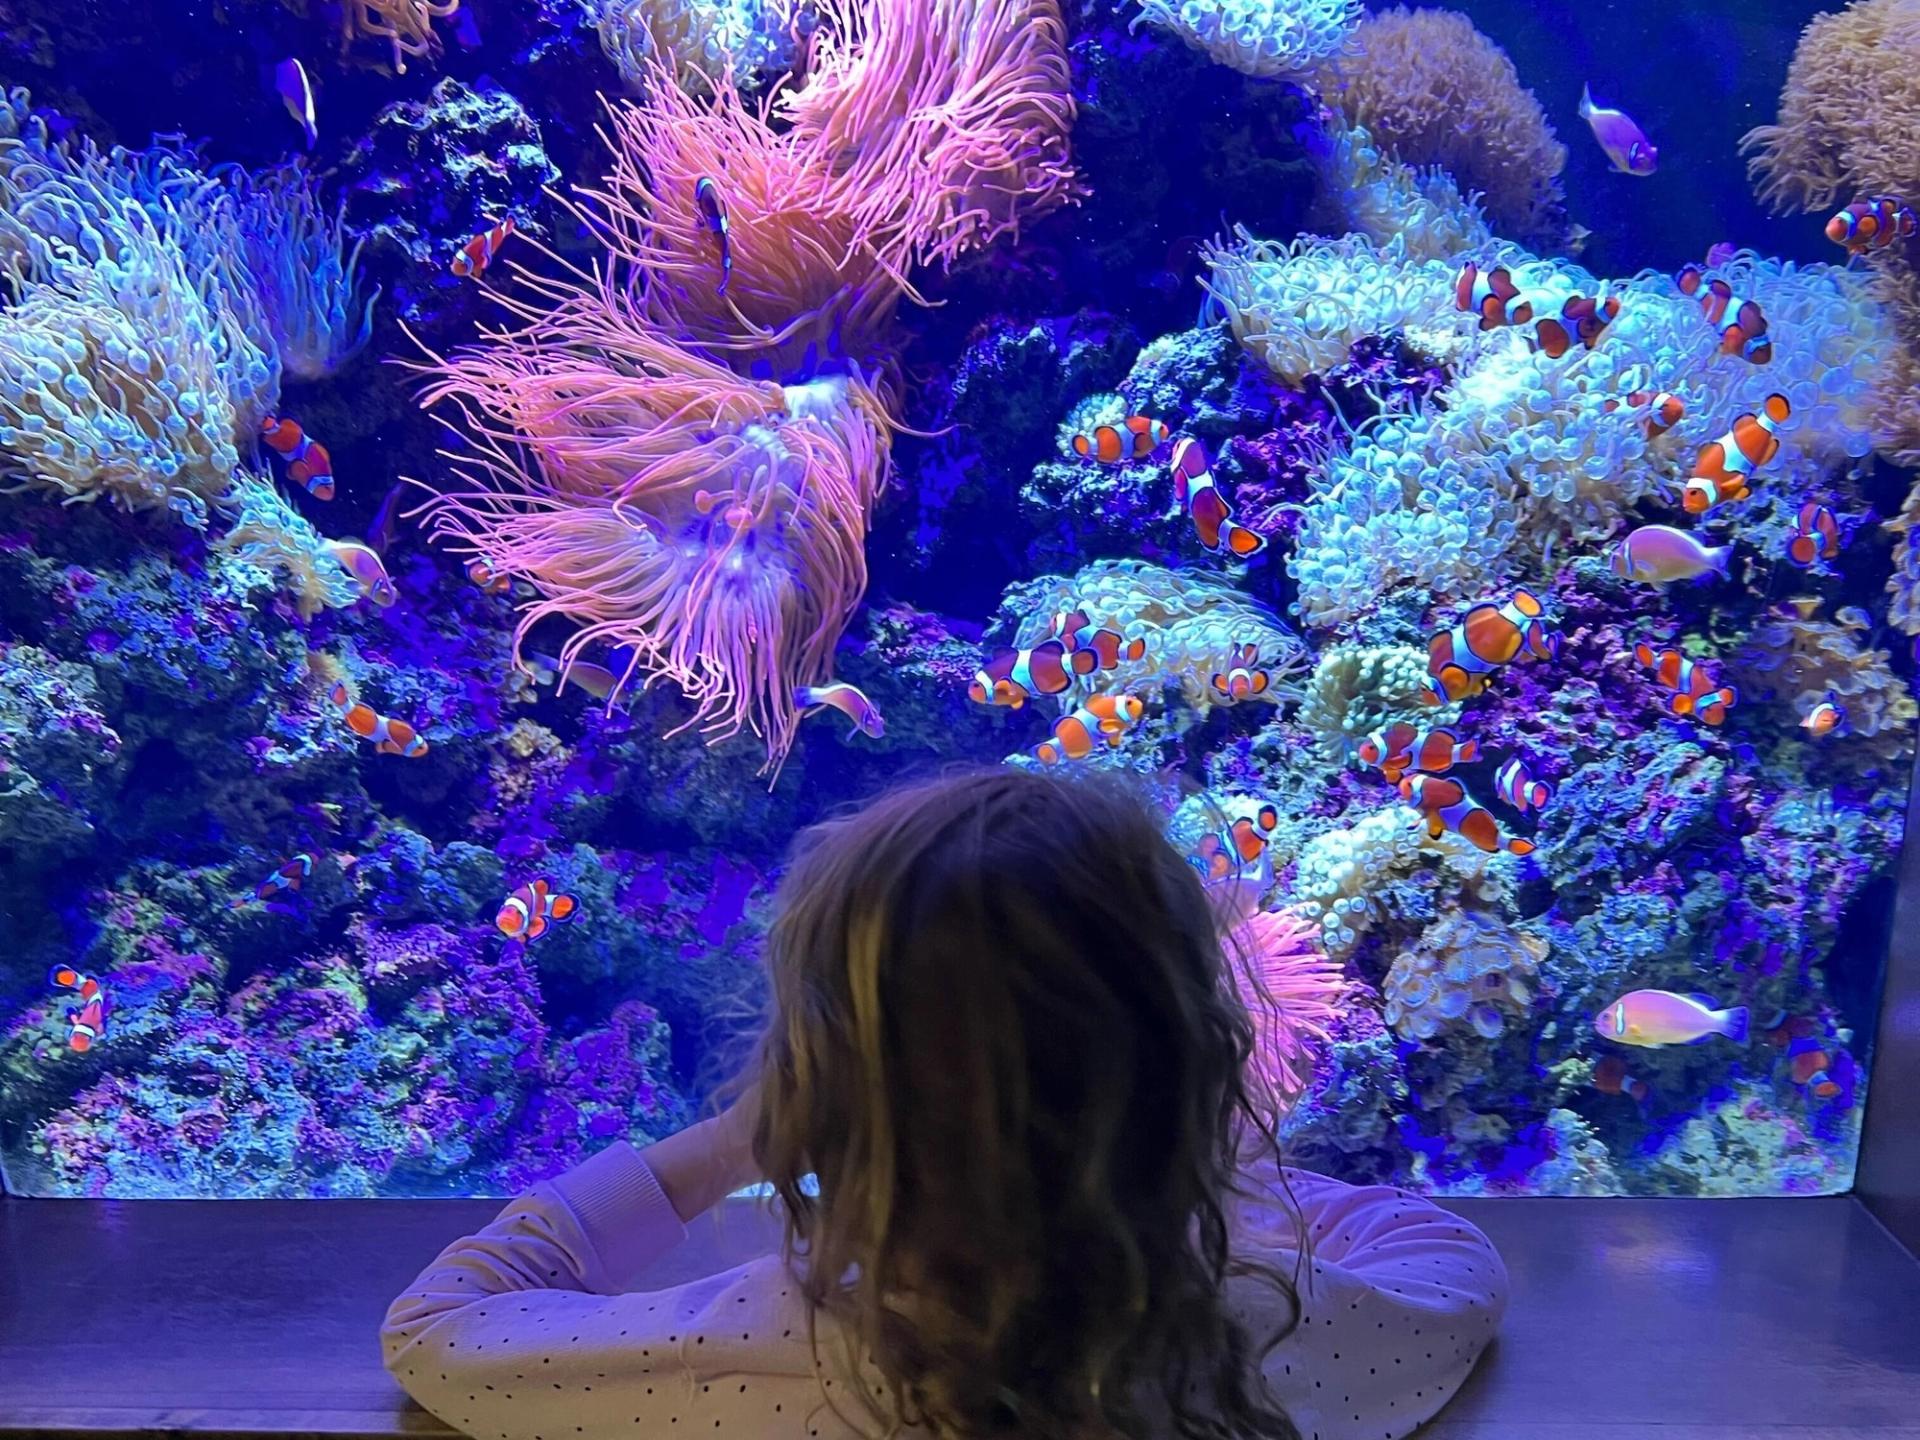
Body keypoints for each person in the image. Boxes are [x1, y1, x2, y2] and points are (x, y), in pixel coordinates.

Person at [384, 769, 1506, 1440]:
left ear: (816, 1100)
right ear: (1198, 1068)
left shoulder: (765, 1353)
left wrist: (730, 1147)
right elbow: (1447, 1261)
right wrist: (1165, 1159)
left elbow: (439, 1329)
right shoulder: (1282, 1331)